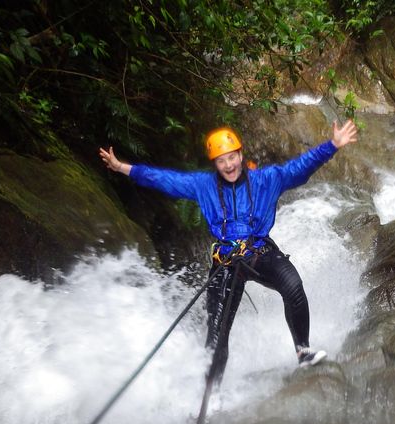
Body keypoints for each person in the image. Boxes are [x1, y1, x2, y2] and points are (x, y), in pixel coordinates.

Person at [99, 119, 358, 383]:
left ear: (241, 155)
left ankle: (303, 350)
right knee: (217, 330)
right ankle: (211, 392)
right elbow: (164, 179)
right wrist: (122, 168)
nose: (228, 165)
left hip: (259, 251)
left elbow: (301, 167)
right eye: (221, 161)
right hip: (226, 260)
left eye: (232, 157)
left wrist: (333, 145)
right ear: (215, 164)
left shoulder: (267, 180)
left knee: (293, 286)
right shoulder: (204, 186)